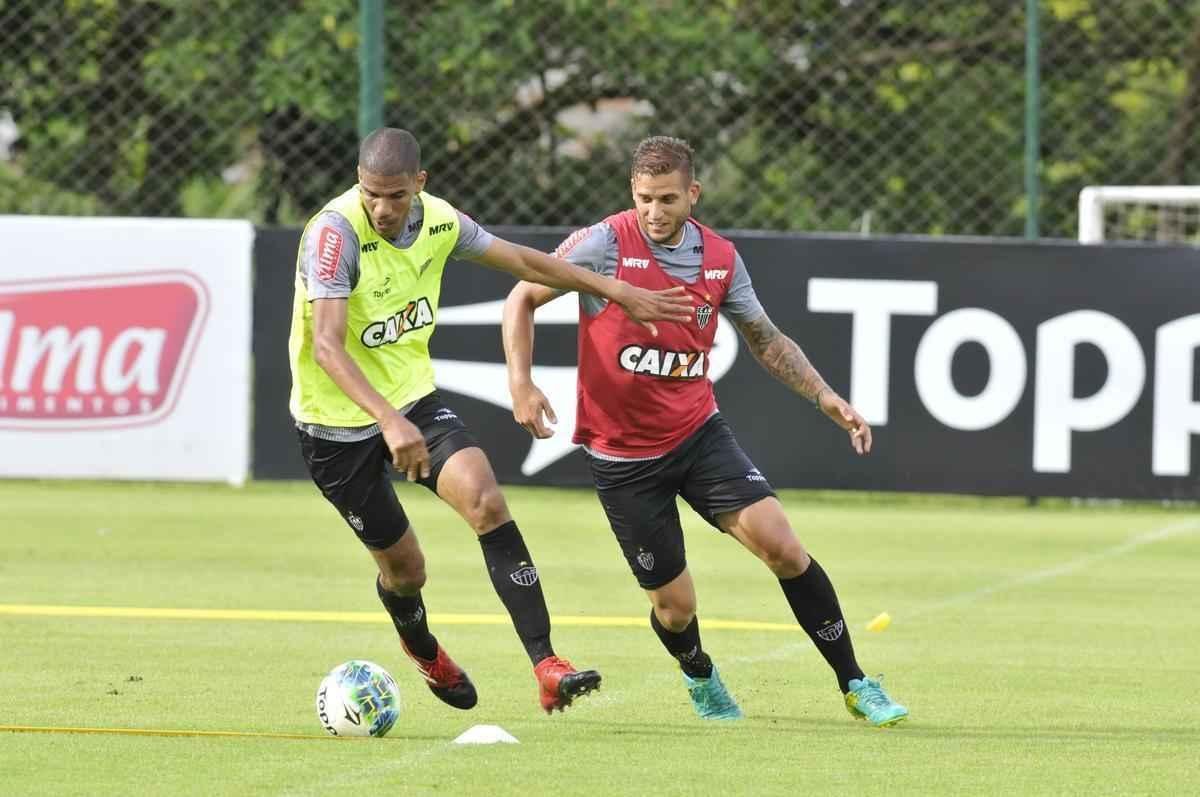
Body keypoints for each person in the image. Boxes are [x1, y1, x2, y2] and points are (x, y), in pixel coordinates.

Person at [501, 135, 909, 726]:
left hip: (699, 436)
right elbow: (521, 297)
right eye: (644, 198)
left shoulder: (720, 257)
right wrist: (522, 383)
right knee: (673, 608)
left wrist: (824, 396)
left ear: (692, 193)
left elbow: (765, 338)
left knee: (785, 549)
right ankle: (700, 676)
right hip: (622, 460)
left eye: (667, 198)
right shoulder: (604, 243)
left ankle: (856, 682)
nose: (654, 212)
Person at [289, 127, 693, 714]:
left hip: (411, 398)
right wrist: (386, 423)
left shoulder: (440, 221)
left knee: (486, 501)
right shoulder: (334, 234)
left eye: (396, 195)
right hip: (335, 425)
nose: (382, 208)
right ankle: (423, 649)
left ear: (420, 186)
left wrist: (613, 288)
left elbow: (526, 262)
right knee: (406, 571)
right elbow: (328, 347)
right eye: (371, 193)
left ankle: (547, 664)